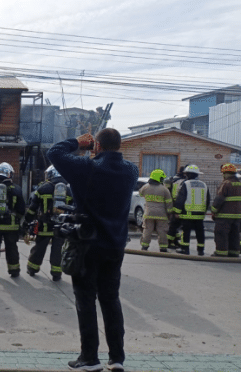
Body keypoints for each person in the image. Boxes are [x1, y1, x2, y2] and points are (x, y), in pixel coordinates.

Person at [47, 128, 138, 372]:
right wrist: (92, 149)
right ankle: (117, 358)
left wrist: (77, 143)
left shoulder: (86, 168)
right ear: (119, 145)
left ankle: (89, 358)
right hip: (115, 244)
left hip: (87, 244)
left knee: (85, 299)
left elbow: (54, 153)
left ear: (96, 146)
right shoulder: (131, 170)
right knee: (111, 299)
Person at [23, 165, 72, 281]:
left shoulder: (42, 188)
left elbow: (32, 208)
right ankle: (56, 274)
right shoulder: (69, 190)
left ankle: (32, 269)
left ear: (50, 174)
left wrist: (26, 222)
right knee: (58, 250)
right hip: (61, 227)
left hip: (44, 226)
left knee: (39, 249)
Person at [172, 164, 210, 256]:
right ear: (197, 174)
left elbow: (180, 199)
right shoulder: (204, 185)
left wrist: (176, 212)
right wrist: (204, 211)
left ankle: (185, 250)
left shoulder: (186, 184)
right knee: (200, 232)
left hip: (187, 214)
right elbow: (208, 199)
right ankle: (201, 250)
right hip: (200, 214)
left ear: (187, 174)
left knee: (186, 232)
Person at [210, 163, 241, 257]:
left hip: (224, 215)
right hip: (238, 216)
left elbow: (219, 199)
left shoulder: (226, 183)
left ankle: (221, 252)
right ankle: (234, 252)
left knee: (221, 234)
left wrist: (214, 210)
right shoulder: (240, 184)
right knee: (235, 235)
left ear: (226, 173)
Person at [139, 169, 173, 252]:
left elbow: (140, 193)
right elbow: (169, 203)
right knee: (162, 231)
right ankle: (163, 247)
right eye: (162, 178)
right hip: (161, 214)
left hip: (148, 213)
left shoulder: (145, 187)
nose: (162, 180)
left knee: (147, 230)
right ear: (158, 178)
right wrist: (170, 213)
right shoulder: (164, 189)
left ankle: (144, 246)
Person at [165, 166, 186, 249]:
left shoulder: (172, 179)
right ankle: (169, 242)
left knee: (175, 225)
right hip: (178, 205)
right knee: (174, 225)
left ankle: (175, 241)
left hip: (173, 203)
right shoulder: (182, 181)